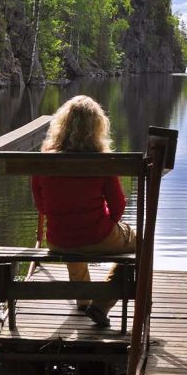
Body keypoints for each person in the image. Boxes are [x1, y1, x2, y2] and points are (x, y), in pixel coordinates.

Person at [31, 95, 135, 328]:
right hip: (97, 236)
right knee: (143, 242)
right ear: (97, 126)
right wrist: (105, 224)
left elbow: (41, 206)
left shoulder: (44, 160)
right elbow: (118, 206)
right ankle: (100, 304)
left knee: (70, 232)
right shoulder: (102, 160)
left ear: (62, 124)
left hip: (58, 240)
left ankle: (82, 300)